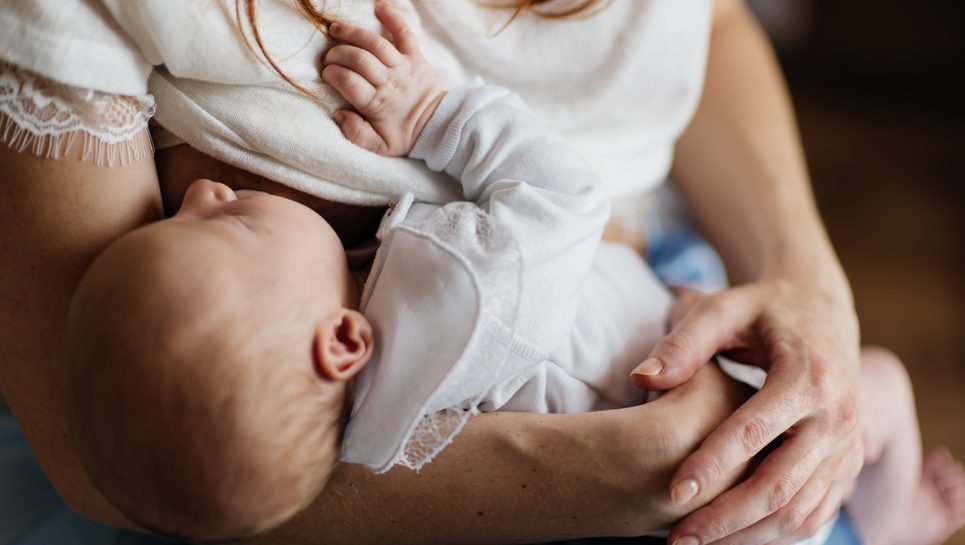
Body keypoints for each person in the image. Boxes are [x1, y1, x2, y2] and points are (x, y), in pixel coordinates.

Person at [65, 13, 965, 545]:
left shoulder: (354, 440)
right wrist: (431, 117)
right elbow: (565, 197)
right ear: (342, 341)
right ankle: (895, 524)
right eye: (224, 226)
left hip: (665, 406)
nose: (206, 196)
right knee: (874, 390)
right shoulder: (446, 289)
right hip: (715, 402)